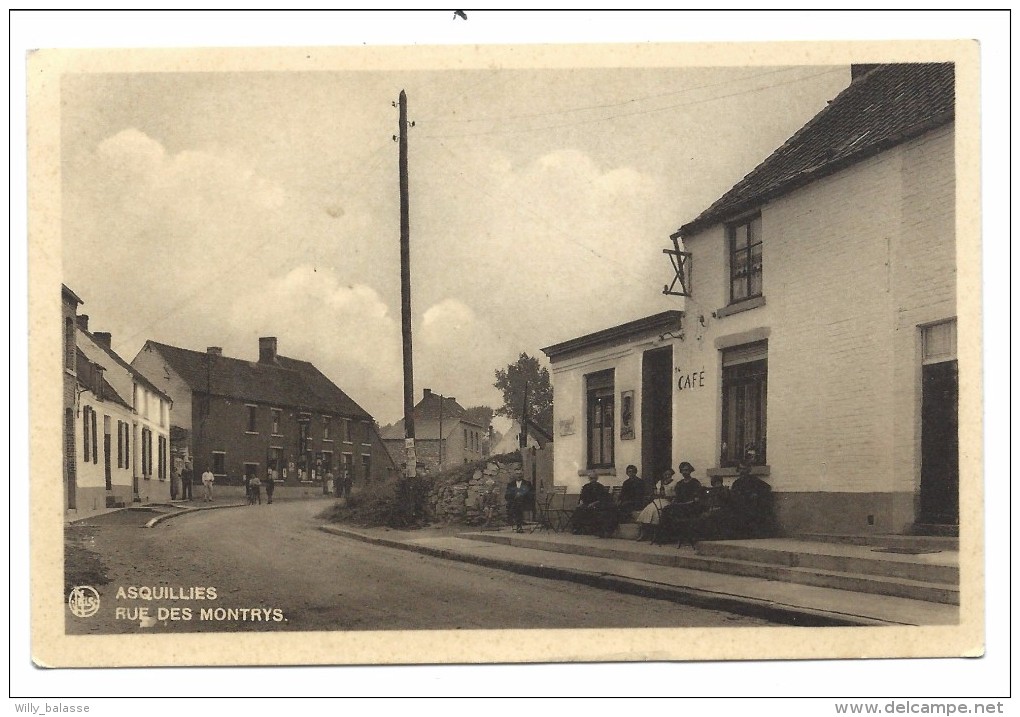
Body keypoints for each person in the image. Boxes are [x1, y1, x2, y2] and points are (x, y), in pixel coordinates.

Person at [655, 461, 704, 545]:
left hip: (690, 506)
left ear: (690, 471)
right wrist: (674, 502)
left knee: (678, 513)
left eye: (687, 470)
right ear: (681, 472)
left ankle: (684, 537)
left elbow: (696, 498)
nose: (685, 472)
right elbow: (677, 497)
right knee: (666, 510)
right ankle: (665, 537)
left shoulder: (695, 483)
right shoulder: (679, 484)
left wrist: (688, 502)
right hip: (680, 506)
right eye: (683, 470)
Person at [730, 457, 775, 538]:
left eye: (744, 469)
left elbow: (767, 488)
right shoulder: (736, 483)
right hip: (739, 509)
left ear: (748, 470)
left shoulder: (754, 481)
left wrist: (756, 494)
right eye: (740, 469)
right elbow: (734, 496)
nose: (742, 471)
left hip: (752, 509)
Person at [635, 468, 675, 541]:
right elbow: (655, 492)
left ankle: (656, 535)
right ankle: (643, 533)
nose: (667, 476)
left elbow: (674, 496)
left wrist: (666, 496)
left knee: (656, 511)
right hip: (657, 500)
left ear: (672, 475)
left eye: (669, 474)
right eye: (665, 474)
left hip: (667, 501)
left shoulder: (674, 483)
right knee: (648, 509)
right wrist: (655, 495)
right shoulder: (659, 482)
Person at [570, 470, 614, 536]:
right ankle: (577, 528)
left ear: (596, 478)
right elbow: (582, 497)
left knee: (596, 511)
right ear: (589, 478)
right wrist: (581, 502)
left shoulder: (600, 487)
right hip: (587, 504)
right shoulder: (586, 486)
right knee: (578, 509)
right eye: (591, 478)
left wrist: (594, 503)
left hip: (597, 505)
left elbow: (603, 499)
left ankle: (596, 529)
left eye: (594, 478)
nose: (592, 480)